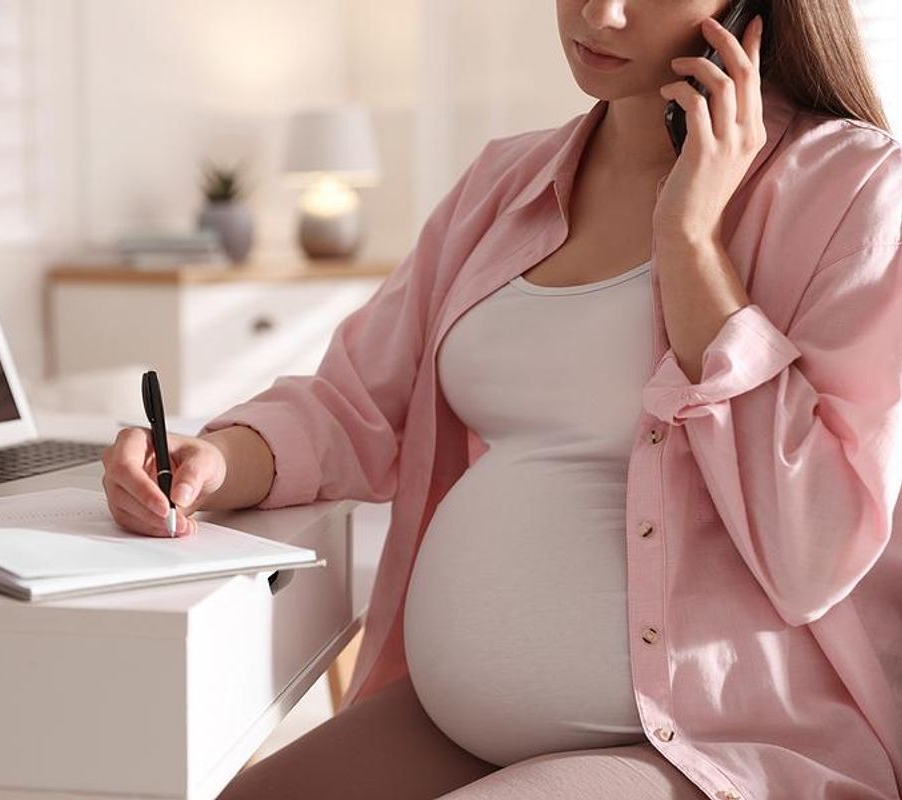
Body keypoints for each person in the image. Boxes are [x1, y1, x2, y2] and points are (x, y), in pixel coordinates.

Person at [100, 0, 902, 797]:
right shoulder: (501, 183)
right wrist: (212, 458)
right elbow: (355, 404)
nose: (600, 11)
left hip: (702, 746)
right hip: (450, 725)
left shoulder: (854, 188)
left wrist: (691, 241)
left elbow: (815, 551)